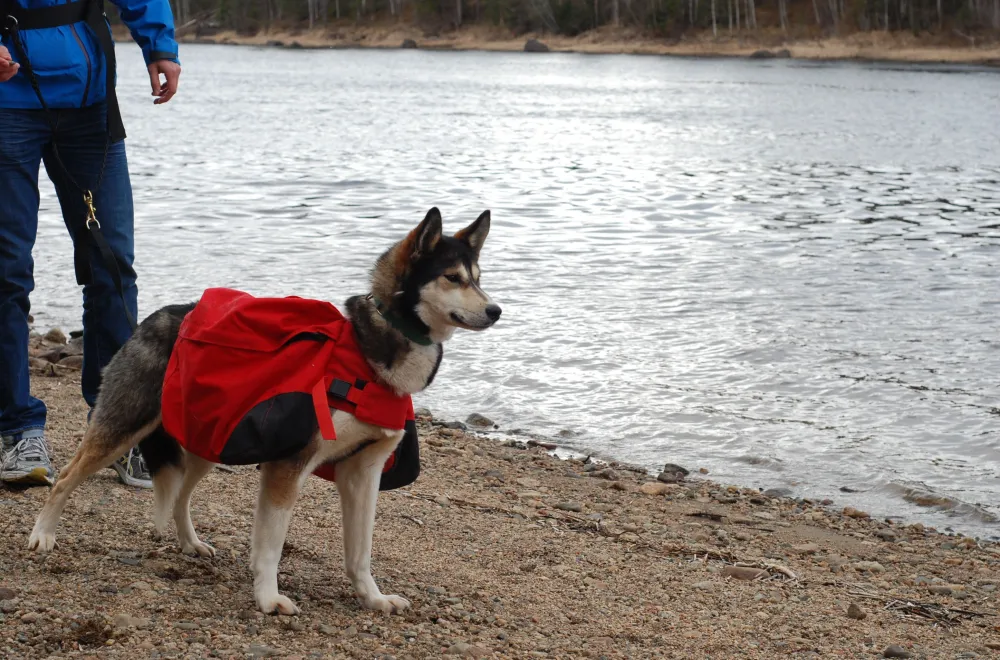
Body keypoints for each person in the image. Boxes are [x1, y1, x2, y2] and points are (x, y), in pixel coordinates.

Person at [0, 0, 180, 489]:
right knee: (6, 271)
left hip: (89, 105)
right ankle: (18, 430)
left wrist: (158, 44)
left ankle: (118, 431)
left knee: (113, 264)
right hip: (5, 106)